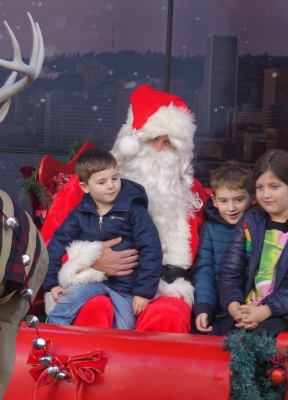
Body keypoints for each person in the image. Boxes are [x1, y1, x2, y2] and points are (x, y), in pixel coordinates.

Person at [41, 84, 209, 333]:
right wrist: (89, 261)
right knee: (94, 309)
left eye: (169, 143)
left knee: (168, 317)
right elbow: (50, 243)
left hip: (166, 289)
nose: (159, 149)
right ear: (132, 141)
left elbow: (211, 256)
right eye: (152, 139)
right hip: (98, 282)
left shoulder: (192, 192)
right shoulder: (88, 185)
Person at [43, 148, 162, 329]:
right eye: (102, 182)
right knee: (66, 300)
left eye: (115, 178)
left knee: (125, 330)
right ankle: (49, 335)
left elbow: (151, 248)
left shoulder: (133, 210)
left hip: (126, 287)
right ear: (85, 187)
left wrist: (143, 292)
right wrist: (52, 284)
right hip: (91, 279)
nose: (111, 186)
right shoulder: (79, 215)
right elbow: (57, 244)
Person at [218, 150, 288, 336]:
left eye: (274, 186)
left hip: (280, 313)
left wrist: (265, 311)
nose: (266, 195)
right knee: (228, 333)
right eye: (260, 187)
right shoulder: (250, 222)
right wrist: (234, 307)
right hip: (246, 307)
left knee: (262, 338)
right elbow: (230, 271)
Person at [191, 162, 253, 335]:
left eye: (238, 200)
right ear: (214, 201)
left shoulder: (257, 227)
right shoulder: (209, 230)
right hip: (218, 308)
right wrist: (204, 307)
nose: (231, 208)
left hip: (251, 306)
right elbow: (205, 272)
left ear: (251, 198)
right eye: (224, 201)